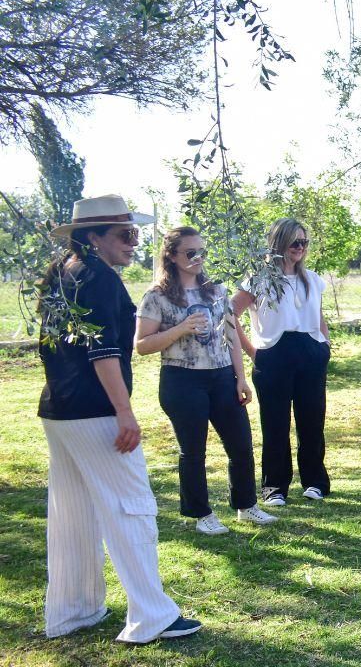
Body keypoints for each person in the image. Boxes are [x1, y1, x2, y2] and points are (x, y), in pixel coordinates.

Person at [38, 195, 201, 643]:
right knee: (132, 508)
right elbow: (104, 351)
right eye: (124, 235)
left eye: (135, 234)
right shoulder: (99, 278)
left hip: (60, 411)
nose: (133, 243)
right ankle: (152, 617)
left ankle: (75, 611)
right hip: (95, 411)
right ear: (94, 238)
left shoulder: (62, 276)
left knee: (75, 513)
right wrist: (124, 411)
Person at [135, 226, 277, 535]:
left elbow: (231, 336)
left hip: (222, 376)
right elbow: (142, 345)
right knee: (193, 450)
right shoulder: (156, 296)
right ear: (171, 257)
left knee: (240, 444)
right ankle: (201, 514)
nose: (198, 258)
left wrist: (240, 378)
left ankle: (246, 505)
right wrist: (181, 328)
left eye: (202, 251)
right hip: (181, 379)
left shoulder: (216, 290)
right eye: (190, 252)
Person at [232, 218, 331, 506]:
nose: (300, 248)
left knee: (312, 420)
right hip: (274, 353)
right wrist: (254, 352)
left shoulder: (312, 279)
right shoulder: (259, 279)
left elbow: (318, 314)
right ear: (279, 244)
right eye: (294, 242)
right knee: (274, 423)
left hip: (311, 352)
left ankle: (315, 481)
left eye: (304, 242)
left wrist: (324, 343)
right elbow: (230, 315)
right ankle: (274, 486)